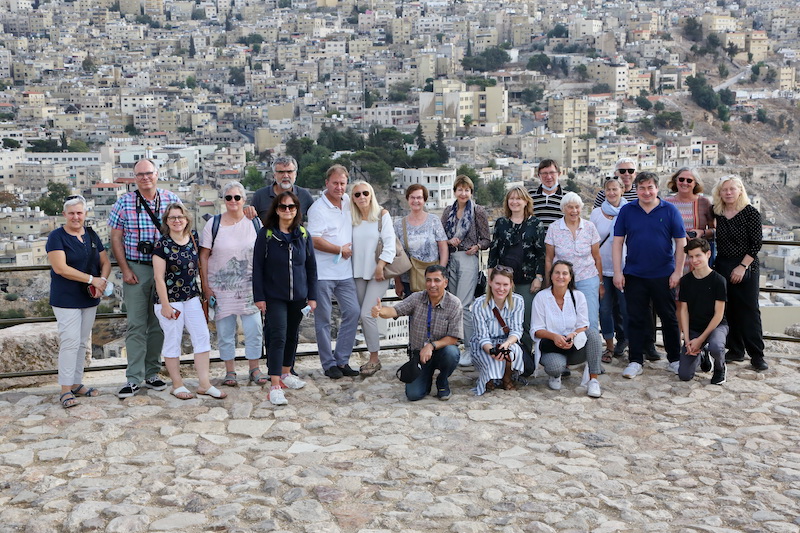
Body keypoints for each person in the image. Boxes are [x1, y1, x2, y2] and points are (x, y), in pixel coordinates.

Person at [108, 158, 181, 398]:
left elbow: (182, 231)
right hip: (137, 268)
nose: (145, 178)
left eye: (148, 173)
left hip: (166, 270)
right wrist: (125, 269)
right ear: (134, 178)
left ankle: (152, 373)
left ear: (157, 174)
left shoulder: (171, 199)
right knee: (136, 324)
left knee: (159, 323)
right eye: (140, 174)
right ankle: (133, 378)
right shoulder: (124, 202)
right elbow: (115, 238)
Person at [613, 172, 686, 379]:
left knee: (669, 318)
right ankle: (635, 360)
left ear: (657, 188)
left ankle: (674, 359)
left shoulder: (670, 210)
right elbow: (617, 242)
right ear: (636, 189)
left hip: (663, 274)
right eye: (642, 188)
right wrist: (618, 272)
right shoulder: (627, 211)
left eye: (650, 188)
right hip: (634, 274)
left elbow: (681, 242)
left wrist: (678, 272)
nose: (646, 192)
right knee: (635, 318)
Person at [153, 203, 226, 400]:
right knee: (172, 340)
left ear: (187, 219)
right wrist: (165, 305)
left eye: (180, 217)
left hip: (191, 297)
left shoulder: (193, 237)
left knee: (202, 337)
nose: (177, 221)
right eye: (172, 218)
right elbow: (158, 277)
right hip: (170, 300)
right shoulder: (162, 244)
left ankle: (204, 384)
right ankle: (177, 385)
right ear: (166, 221)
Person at [253, 191, 318, 405]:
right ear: (277, 210)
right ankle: (274, 384)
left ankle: (286, 372)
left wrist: (312, 296)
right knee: (278, 336)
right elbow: (258, 267)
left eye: (291, 207)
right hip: (274, 296)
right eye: (283, 207)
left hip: (298, 296)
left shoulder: (303, 234)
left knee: (292, 335)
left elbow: (311, 267)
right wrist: (259, 296)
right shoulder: (266, 234)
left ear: (297, 209)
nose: (287, 210)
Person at [47, 195, 111, 408]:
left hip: (89, 296)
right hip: (66, 297)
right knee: (70, 341)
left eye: (79, 213)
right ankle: (65, 389)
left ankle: (76, 383)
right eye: (72, 213)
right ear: (64, 215)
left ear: (85, 214)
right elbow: (60, 268)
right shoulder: (56, 237)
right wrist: (93, 280)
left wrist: (102, 281)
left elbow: (105, 262)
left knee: (83, 342)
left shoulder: (91, 234)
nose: (76, 217)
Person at [199, 181, 264, 387]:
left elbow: (264, 253)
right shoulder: (213, 224)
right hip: (220, 287)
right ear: (224, 200)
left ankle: (254, 368)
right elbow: (204, 256)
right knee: (225, 332)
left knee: (254, 328)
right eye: (229, 197)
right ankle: (230, 371)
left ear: (244, 200)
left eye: (237, 197)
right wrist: (206, 286)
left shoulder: (255, 222)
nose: (233, 201)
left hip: (250, 286)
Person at [372, 265, 462, 401]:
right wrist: (380, 311)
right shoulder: (417, 298)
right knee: (414, 395)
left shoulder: (454, 303)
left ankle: (442, 380)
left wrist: (431, 346)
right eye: (428, 280)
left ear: (445, 282)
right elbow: (395, 311)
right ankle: (426, 379)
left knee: (452, 352)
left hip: (441, 351)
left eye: (437, 280)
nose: (432, 285)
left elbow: (454, 338)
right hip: (419, 355)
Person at [307, 164, 361, 379]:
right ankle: (328, 364)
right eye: (335, 183)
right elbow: (313, 239)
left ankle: (342, 360)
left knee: (353, 312)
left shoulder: (347, 201)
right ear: (327, 183)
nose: (339, 187)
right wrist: (339, 249)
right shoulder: (317, 209)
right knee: (323, 320)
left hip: (345, 272)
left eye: (342, 183)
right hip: (323, 273)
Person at [712, 175, 767, 371]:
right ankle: (735, 349)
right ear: (719, 192)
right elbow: (711, 231)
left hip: (746, 265)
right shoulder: (717, 212)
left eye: (732, 189)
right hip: (722, 264)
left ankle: (757, 355)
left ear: (740, 191)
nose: (728, 193)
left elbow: (756, 244)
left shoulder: (750, 212)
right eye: (724, 189)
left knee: (749, 310)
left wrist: (741, 267)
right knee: (729, 309)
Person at [531, 260, 603, 398]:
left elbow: (584, 324)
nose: (560, 276)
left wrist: (573, 334)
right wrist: (555, 337)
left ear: (570, 277)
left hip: (574, 345)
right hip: (551, 346)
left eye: (565, 273)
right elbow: (536, 329)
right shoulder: (541, 297)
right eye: (557, 273)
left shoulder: (578, 296)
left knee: (593, 334)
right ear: (551, 276)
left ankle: (593, 380)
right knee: (555, 367)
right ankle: (556, 375)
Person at [487, 186, 546, 353]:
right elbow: (494, 251)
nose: (515, 202)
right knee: (503, 318)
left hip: (527, 280)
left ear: (526, 201)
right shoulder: (501, 223)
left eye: (518, 198)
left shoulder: (536, 224)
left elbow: (541, 254)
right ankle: (505, 354)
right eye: (511, 198)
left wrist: (539, 277)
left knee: (525, 320)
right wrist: (490, 277)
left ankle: (525, 355)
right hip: (503, 281)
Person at [441, 175, 490, 367]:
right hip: (450, 259)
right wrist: (448, 241)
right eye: (460, 189)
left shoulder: (478, 211)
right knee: (453, 304)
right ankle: (456, 346)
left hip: (468, 258)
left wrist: (477, 246)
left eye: (467, 190)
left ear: (471, 192)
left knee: (464, 304)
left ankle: (470, 348)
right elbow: (440, 237)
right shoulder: (448, 211)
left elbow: (486, 239)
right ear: (455, 191)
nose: (463, 193)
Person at [351, 180, 395, 377]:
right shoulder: (351, 218)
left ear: (371, 195)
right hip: (358, 273)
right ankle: (372, 356)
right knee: (363, 315)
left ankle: (374, 358)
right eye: (357, 194)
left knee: (367, 314)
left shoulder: (382, 215)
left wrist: (380, 265)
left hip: (378, 273)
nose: (362, 197)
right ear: (353, 198)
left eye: (365, 193)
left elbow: (390, 244)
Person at [544, 192, 603, 333]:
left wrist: (600, 283)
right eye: (570, 207)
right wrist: (548, 282)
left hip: (587, 278)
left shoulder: (589, 227)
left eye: (577, 207)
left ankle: (592, 346)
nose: (574, 211)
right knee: (564, 319)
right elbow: (549, 259)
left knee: (590, 319)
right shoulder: (554, 228)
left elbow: (597, 257)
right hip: (562, 280)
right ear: (563, 209)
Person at [678, 238, 729, 384]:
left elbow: (719, 314)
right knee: (684, 375)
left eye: (698, 255)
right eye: (691, 257)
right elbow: (683, 311)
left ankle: (720, 367)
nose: (694, 260)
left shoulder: (719, 280)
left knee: (716, 346)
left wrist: (700, 340)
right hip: (694, 328)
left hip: (716, 326)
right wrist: (688, 340)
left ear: (708, 254)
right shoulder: (686, 281)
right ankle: (702, 355)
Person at [590, 177, 629, 362]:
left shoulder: (630, 211)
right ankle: (610, 346)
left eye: (615, 189)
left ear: (622, 190)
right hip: (602, 269)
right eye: (608, 190)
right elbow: (591, 241)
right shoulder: (596, 213)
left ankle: (625, 341)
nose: (611, 193)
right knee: (605, 309)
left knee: (625, 308)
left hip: (624, 268)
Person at [470, 267, 525, 396]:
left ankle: (507, 377)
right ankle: (490, 378)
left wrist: (506, 344)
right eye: (498, 284)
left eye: (505, 284)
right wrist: (491, 351)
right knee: (491, 359)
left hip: (506, 340)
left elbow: (517, 331)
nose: (501, 288)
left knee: (513, 351)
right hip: (484, 344)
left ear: (511, 285)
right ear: (490, 282)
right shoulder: (479, 304)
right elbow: (482, 337)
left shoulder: (518, 301)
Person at [393, 184, 448, 298]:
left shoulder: (434, 220)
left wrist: (441, 273)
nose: (415, 201)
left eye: (419, 197)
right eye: (412, 197)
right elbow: (395, 255)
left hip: (433, 278)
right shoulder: (399, 225)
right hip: (409, 280)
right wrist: (397, 281)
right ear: (408, 199)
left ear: (424, 200)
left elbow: (443, 247)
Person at [664, 167, 715, 273]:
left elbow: (714, 230)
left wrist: (702, 232)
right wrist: (679, 235)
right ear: (675, 181)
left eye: (689, 180)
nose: (685, 183)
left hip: (697, 258)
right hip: (672, 255)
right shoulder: (666, 204)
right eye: (681, 179)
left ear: (695, 183)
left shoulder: (704, 202)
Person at [248, 155, 314, 221]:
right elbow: (250, 220)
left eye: (289, 172)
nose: (285, 176)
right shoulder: (260, 196)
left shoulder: (304, 195)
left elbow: (316, 217)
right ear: (274, 175)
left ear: (295, 174)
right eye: (281, 172)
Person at [529, 159, 565, 230]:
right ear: (539, 175)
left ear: (559, 174)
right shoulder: (529, 196)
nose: (548, 177)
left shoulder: (568, 197)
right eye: (544, 173)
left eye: (552, 173)